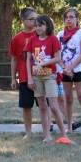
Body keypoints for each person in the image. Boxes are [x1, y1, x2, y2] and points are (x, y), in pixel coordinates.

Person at [26, 14, 67, 142]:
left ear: (47, 25)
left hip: (50, 76)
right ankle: (47, 136)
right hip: (36, 77)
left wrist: (42, 64)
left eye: (40, 25)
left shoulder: (53, 39)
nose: (37, 28)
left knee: (53, 106)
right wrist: (30, 78)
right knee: (42, 106)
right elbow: (28, 59)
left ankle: (64, 136)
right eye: (36, 26)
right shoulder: (32, 40)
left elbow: (58, 58)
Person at [57, 8, 81, 135]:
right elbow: (57, 54)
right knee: (68, 98)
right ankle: (70, 126)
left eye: (71, 17)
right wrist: (64, 68)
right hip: (65, 71)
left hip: (77, 70)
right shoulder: (60, 34)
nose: (68, 19)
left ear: (77, 19)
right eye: (66, 17)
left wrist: (71, 67)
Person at [9, 7, 38, 140]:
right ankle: (28, 132)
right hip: (25, 78)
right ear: (23, 20)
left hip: (41, 76)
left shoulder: (40, 34)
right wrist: (13, 78)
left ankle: (47, 130)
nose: (35, 21)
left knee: (44, 105)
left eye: (36, 18)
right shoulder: (16, 39)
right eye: (31, 19)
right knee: (26, 106)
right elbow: (14, 59)